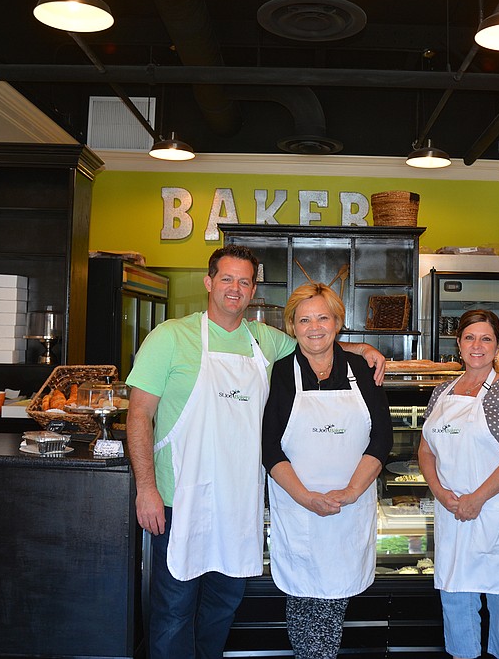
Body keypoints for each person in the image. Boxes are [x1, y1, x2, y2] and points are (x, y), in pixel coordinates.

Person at [125, 245, 385, 659]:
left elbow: (314, 338)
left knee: (222, 606)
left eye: (244, 281)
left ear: (253, 289)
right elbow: (139, 417)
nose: (235, 288)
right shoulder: (170, 337)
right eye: (226, 279)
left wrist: (362, 349)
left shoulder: (265, 341)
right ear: (209, 282)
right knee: (174, 609)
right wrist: (146, 489)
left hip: (240, 502)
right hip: (179, 499)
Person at [262, 282, 393, 659]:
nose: (314, 326)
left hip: (348, 508)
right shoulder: (282, 372)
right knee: (304, 602)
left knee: (333, 605)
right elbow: (270, 447)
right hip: (299, 508)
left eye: (323, 317)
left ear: (338, 322)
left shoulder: (360, 369)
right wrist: (306, 498)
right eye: (304, 319)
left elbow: (381, 439)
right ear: (292, 326)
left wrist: (351, 492)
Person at [418, 309, 499, 659]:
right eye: (470, 337)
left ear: (498, 345)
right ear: (458, 343)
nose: (477, 345)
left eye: (486, 338)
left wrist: (477, 499)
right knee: (455, 597)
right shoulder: (441, 391)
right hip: (452, 508)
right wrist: (441, 492)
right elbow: (426, 450)